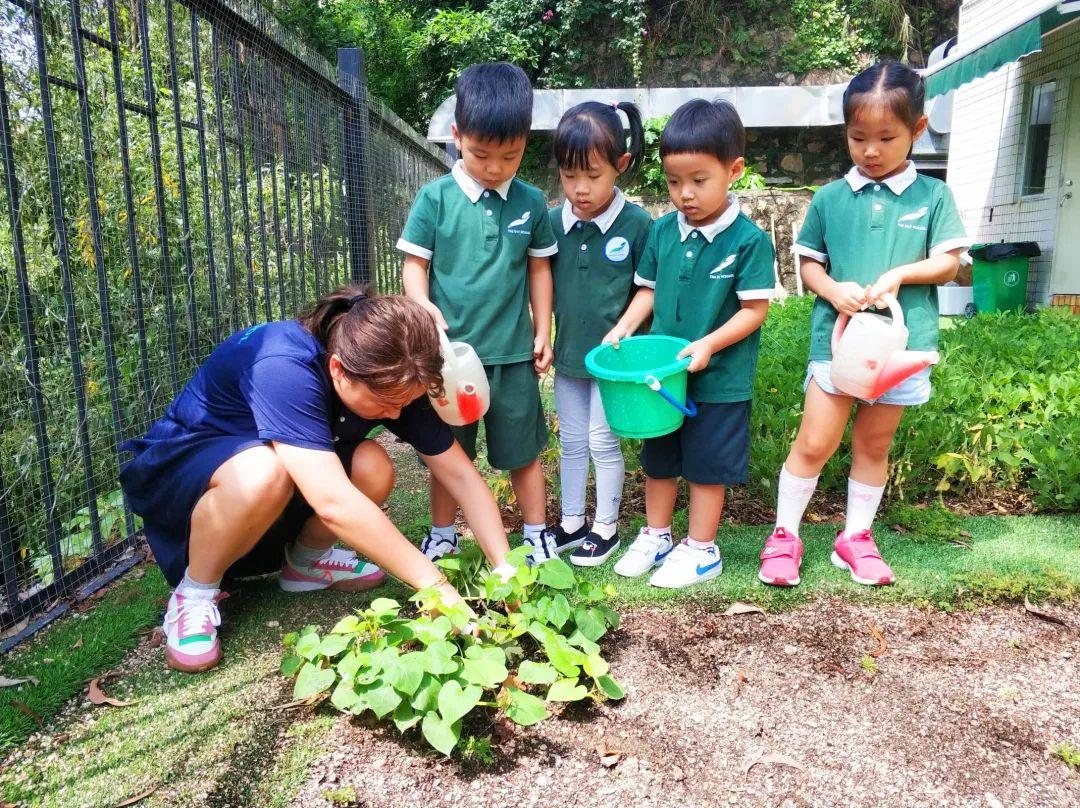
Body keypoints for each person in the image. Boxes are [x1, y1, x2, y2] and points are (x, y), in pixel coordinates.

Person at [120, 289, 514, 673]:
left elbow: (460, 473)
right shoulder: (282, 365)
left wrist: (505, 569)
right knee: (263, 472)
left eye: (406, 402)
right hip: (190, 486)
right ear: (338, 370)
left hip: (273, 494)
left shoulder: (397, 373)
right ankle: (194, 594)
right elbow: (332, 501)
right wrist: (436, 587)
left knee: (371, 464)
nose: (396, 414)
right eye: (385, 404)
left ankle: (304, 567)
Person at [758, 62, 970, 588]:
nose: (870, 150)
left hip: (902, 346)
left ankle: (854, 538)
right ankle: (785, 535)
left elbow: (949, 262)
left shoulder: (934, 197)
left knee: (874, 446)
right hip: (837, 344)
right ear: (845, 132)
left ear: (917, 130)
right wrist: (833, 291)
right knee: (814, 441)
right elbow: (808, 264)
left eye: (886, 138)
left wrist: (900, 273)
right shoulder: (830, 198)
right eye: (858, 138)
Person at [603, 99, 775, 588]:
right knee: (658, 458)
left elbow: (753, 311)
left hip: (719, 379)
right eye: (675, 182)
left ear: (734, 170)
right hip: (662, 376)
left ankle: (702, 549)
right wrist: (624, 328)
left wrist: (708, 345)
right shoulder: (661, 231)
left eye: (699, 181)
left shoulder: (748, 241)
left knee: (705, 466)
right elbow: (647, 292)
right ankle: (657, 535)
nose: (685, 194)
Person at [398, 62, 559, 564]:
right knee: (449, 455)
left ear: (525, 145)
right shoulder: (436, 198)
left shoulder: (532, 203)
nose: (494, 168)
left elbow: (538, 271)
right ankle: (443, 534)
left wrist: (543, 326)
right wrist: (421, 305)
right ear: (456, 136)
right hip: (448, 359)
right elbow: (414, 263)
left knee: (523, 452)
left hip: (511, 355)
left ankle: (536, 534)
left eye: (508, 156)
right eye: (480, 154)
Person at [544, 100, 652, 567]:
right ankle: (571, 523)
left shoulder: (638, 224)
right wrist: (540, 333)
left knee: (602, 441)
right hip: (568, 356)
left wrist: (622, 331)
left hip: (614, 362)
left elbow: (648, 291)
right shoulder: (551, 224)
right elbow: (540, 281)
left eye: (592, 175)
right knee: (570, 441)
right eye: (569, 176)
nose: (580, 189)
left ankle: (605, 527)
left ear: (621, 166)